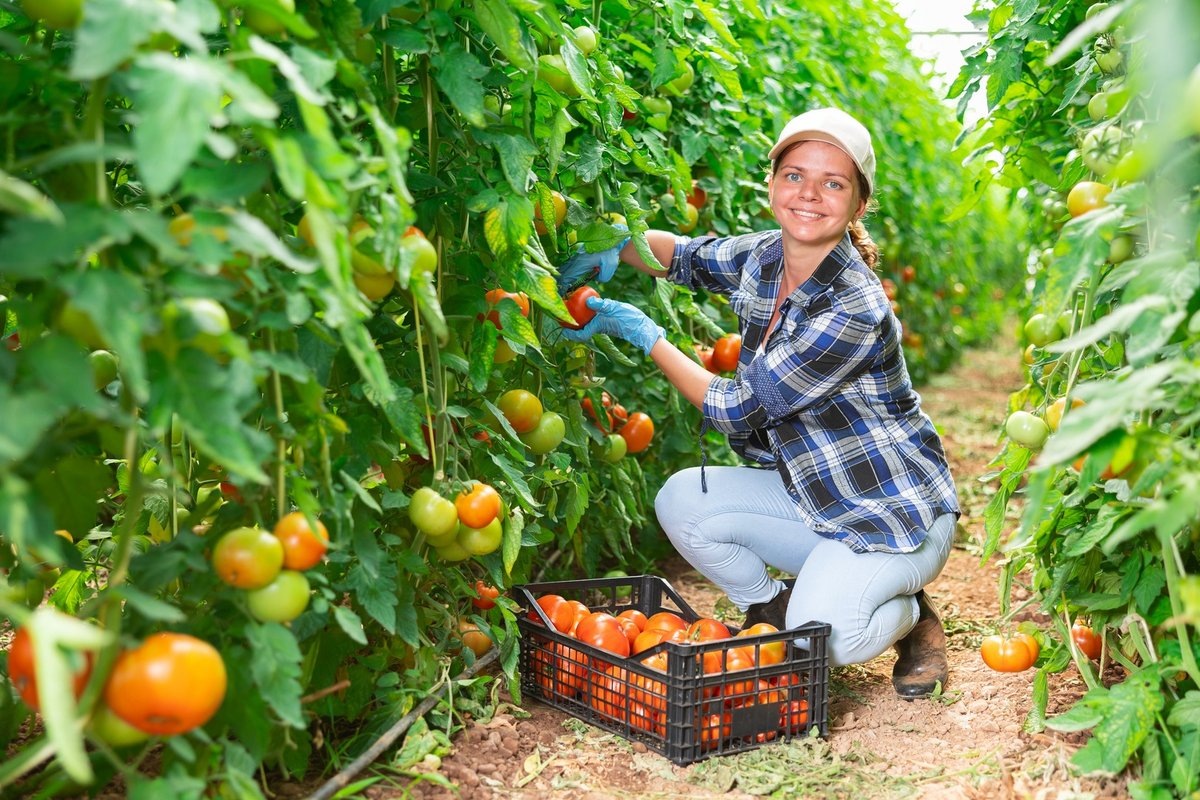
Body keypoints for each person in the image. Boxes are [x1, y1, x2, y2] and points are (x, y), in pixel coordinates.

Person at [556, 107, 960, 699]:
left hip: (892, 513)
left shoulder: (852, 307)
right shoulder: (766, 257)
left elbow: (740, 409)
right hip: (816, 496)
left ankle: (911, 615)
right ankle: (771, 604)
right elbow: (685, 257)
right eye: (795, 176)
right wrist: (619, 247)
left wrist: (648, 336)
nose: (810, 195)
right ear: (771, 182)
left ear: (858, 205)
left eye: (834, 184)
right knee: (681, 501)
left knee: (831, 639)